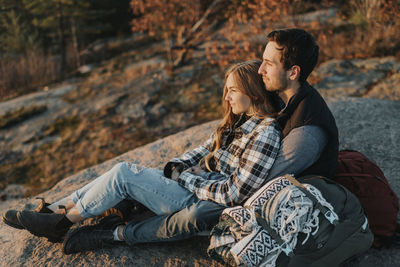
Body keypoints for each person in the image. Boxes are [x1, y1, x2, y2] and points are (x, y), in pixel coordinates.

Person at [59, 28, 339, 254]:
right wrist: (191, 170)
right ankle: (75, 209)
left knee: (192, 216)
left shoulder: (307, 130)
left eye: (268, 63)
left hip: (268, 204)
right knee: (162, 181)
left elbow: (250, 189)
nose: (260, 70)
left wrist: (195, 179)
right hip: (235, 185)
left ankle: (116, 234)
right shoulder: (281, 98)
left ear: (293, 72)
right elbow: (225, 143)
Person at [2, 60, 282, 250]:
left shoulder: (265, 133)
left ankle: (61, 223)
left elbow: (234, 193)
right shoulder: (239, 122)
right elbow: (199, 151)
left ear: (253, 92)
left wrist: (186, 178)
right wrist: (177, 167)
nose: (226, 98)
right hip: (189, 187)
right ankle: (53, 211)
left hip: (195, 201)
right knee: (122, 172)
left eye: (232, 90)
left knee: (123, 174)